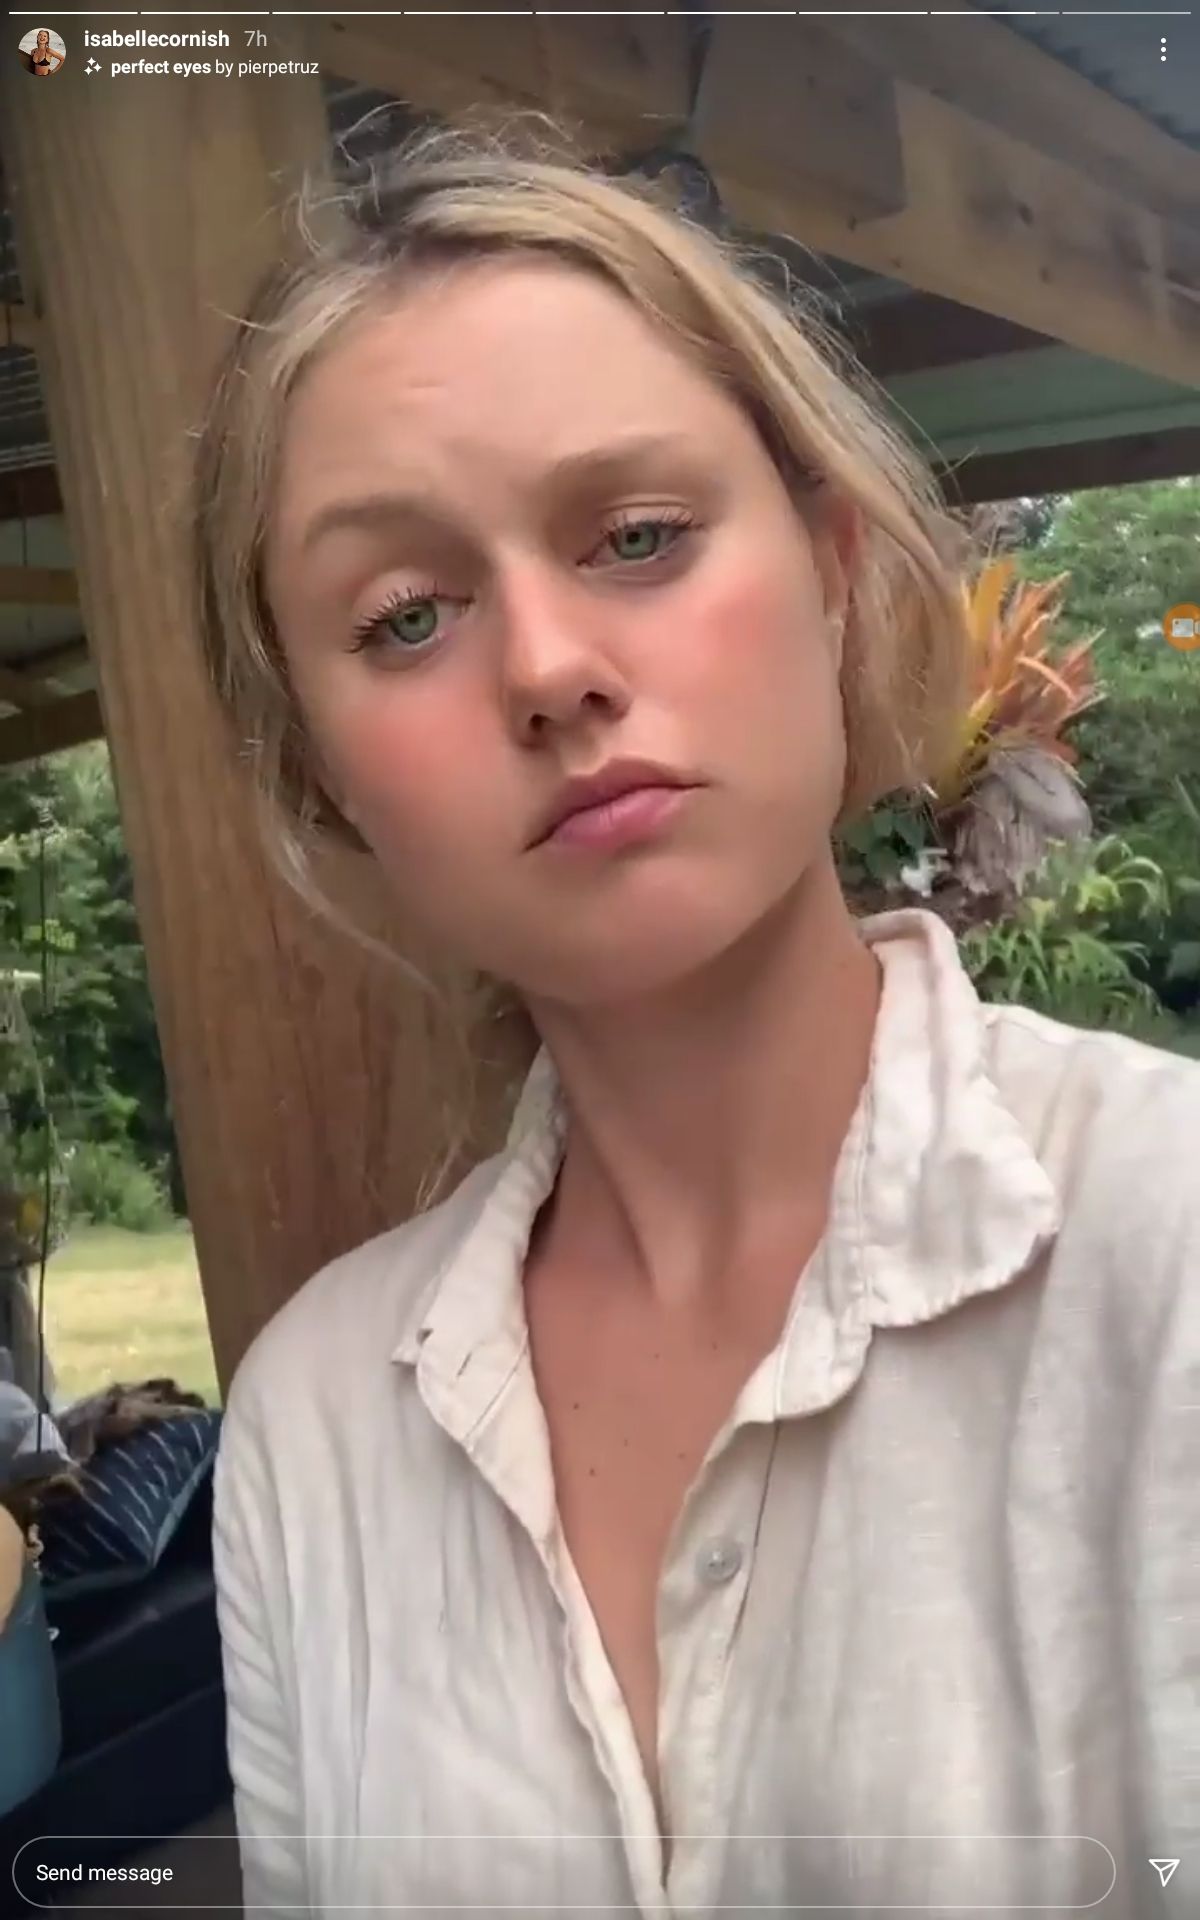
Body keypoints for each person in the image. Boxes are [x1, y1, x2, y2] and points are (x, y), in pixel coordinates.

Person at [196, 125, 1197, 1917]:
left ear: (830, 566)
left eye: (640, 536)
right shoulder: (312, 1428)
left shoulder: (1168, 1248)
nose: (548, 668)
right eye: (406, 617)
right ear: (325, 772)